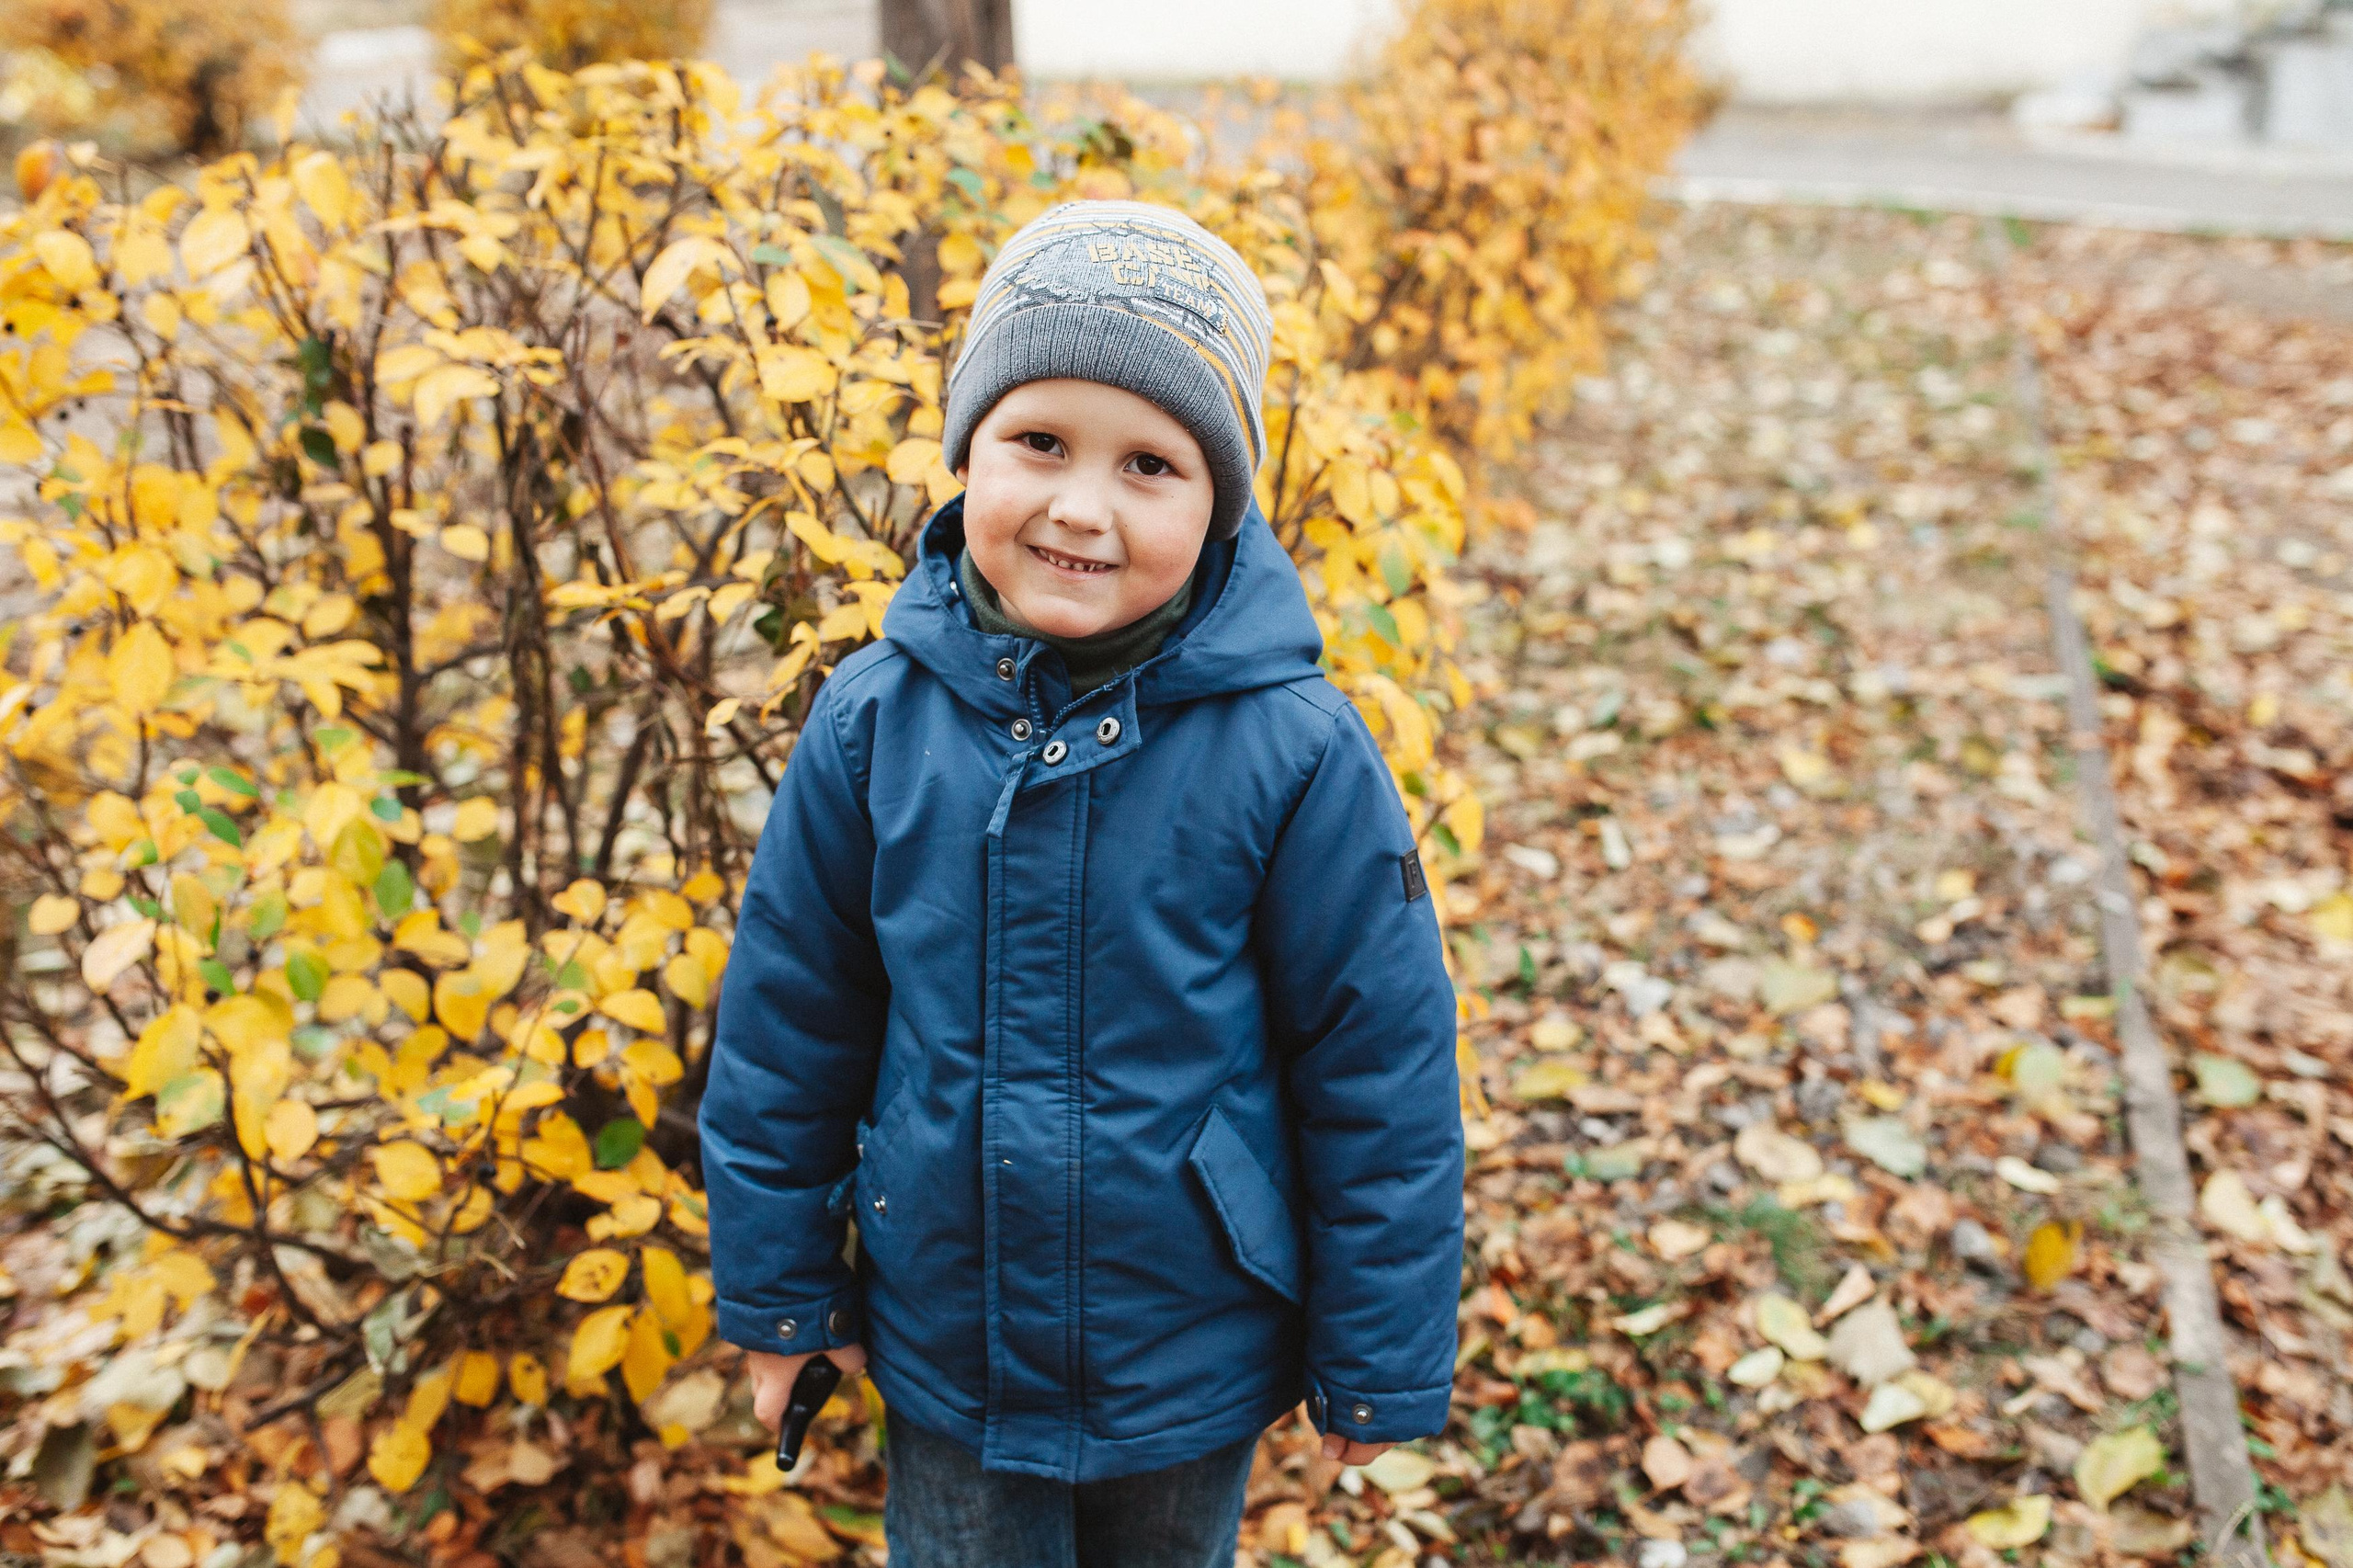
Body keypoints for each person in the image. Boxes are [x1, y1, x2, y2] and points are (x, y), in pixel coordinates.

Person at [699, 199, 1464, 1568]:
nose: (1078, 505)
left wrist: (1381, 1349)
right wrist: (783, 1301)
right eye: (1037, 441)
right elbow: (789, 1026)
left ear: (1221, 502)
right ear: (967, 454)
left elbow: (1378, 1065)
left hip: (1183, 1342)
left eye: (1150, 465)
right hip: (952, 1338)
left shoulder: (1294, 752)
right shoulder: (877, 724)